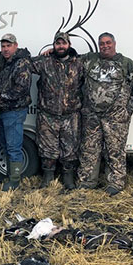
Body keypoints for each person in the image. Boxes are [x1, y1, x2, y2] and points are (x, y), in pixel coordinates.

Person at [77, 32, 133, 195]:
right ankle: (87, 181)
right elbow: (69, 59)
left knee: (115, 150)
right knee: (89, 149)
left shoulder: (126, 63)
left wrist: (128, 110)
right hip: (92, 116)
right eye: (102, 43)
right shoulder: (89, 60)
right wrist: (50, 51)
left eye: (108, 43)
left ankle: (115, 183)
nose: (105, 46)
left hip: (116, 118)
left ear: (114, 43)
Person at [29, 31, 84, 189]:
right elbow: (27, 63)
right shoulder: (45, 62)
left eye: (63, 43)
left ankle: (68, 179)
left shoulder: (79, 63)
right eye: (58, 43)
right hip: (48, 115)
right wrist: (43, 54)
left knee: (70, 149)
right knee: (47, 148)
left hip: (71, 115)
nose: (61, 46)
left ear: (69, 45)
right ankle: (47, 178)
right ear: (53, 45)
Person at [0, 33, 31, 191]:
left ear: (16, 46)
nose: (5, 49)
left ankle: (15, 180)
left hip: (14, 111)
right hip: (4, 111)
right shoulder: (6, 62)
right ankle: (10, 175)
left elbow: (21, 89)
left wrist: (1, 97)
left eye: (8, 45)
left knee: (14, 146)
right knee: (6, 144)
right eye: (3, 46)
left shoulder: (21, 63)